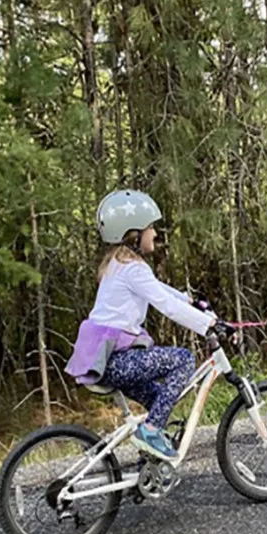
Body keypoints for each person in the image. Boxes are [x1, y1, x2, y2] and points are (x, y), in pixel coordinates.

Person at [66, 189, 232, 460]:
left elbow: (159, 290)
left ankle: (149, 466)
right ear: (133, 235)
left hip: (105, 360)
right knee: (183, 359)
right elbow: (165, 306)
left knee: (160, 400)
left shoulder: (119, 265)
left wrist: (190, 301)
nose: (154, 234)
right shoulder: (133, 268)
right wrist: (209, 324)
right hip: (114, 361)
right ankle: (151, 431)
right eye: (150, 228)